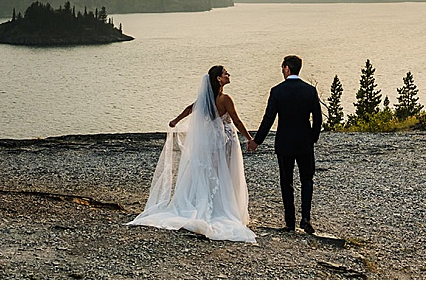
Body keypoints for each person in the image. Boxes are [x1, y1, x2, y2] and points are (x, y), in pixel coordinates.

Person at [127, 65, 257, 243]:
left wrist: (176, 120)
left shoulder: (207, 98)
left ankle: (210, 202)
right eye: (225, 73)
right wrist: (250, 138)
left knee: (214, 172)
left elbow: (191, 108)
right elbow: (236, 119)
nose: (228, 75)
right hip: (226, 140)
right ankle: (223, 207)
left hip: (212, 140)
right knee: (226, 172)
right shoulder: (225, 99)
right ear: (218, 79)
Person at [251, 54, 323, 233]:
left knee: (286, 182)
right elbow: (318, 120)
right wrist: (312, 138)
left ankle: (290, 222)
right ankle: (305, 218)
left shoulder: (277, 91)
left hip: (284, 143)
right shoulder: (310, 90)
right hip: (305, 143)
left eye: (282, 68)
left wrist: (257, 141)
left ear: (287, 68)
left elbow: (268, 119)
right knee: (307, 179)